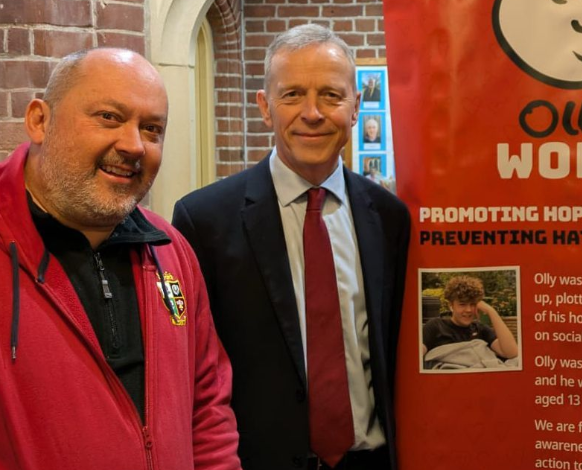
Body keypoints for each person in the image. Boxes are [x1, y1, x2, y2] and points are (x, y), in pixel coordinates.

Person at [173, 24, 410, 470]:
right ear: (265, 107)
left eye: (331, 95)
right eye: (293, 95)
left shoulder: (390, 218)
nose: (312, 113)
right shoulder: (203, 221)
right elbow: (191, 372)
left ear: (356, 107)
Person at [0, 48, 241, 469]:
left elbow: (207, 409)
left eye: (151, 129)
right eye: (109, 117)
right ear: (40, 121)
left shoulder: (171, 252)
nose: (133, 146)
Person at [421, 275, 518, 369]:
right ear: (451, 305)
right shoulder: (435, 326)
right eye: (462, 304)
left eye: (473, 304)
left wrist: (491, 311)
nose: (468, 310)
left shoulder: (481, 329)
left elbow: (512, 353)